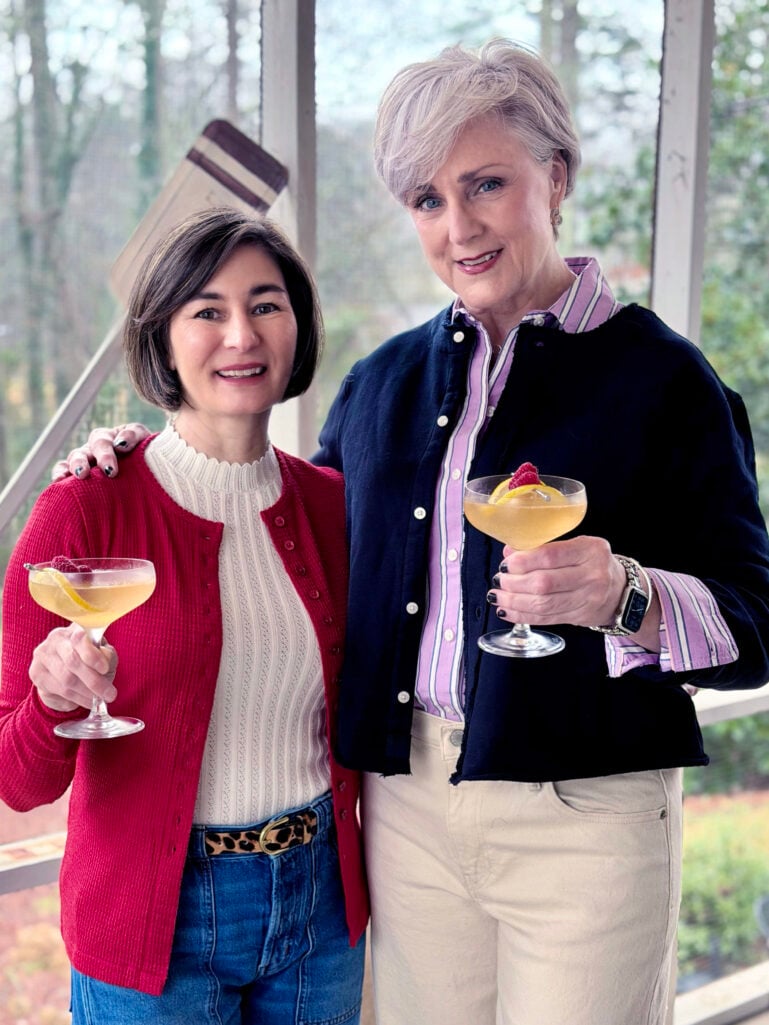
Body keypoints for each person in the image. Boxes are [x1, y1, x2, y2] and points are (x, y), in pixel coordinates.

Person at [53, 40, 769, 1025]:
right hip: (404, 813)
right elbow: (289, 537)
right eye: (428, 200)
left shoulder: (666, 382)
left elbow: (753, 625)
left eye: (486, 184)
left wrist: (624, 593)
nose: (458, 225)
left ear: (556, 176)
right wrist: (140, 454)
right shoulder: (381, 380)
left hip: (586, 821)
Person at [0, 208, 368, 1024]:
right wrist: (56, 700)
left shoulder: (336, 508)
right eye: (207, 310)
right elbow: (15, 778)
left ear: (297, 327)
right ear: (162, 338)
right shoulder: (84, 509)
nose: (241, 333)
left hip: (320, 910)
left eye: (266, 304)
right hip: (152, 925)